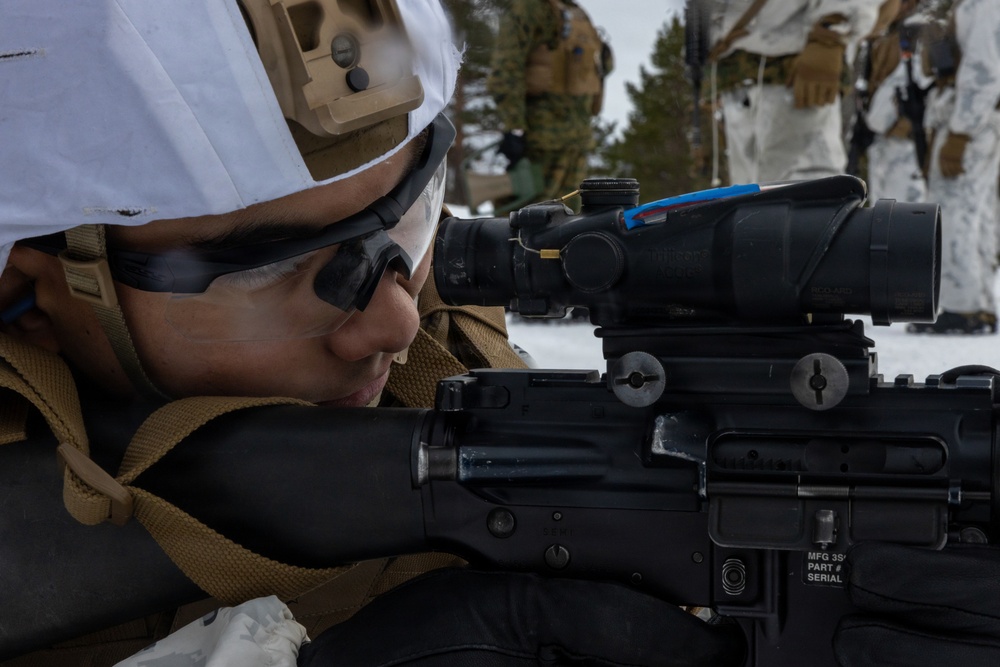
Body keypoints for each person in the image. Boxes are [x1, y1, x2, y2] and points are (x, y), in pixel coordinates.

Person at [0, 1, 743, 665]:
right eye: (269, 271)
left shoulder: (443, 346)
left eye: (415, 214)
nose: (397, 319)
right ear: (30, 289)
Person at [704, 0, 879, 185]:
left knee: (806, 189)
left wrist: (832, 32)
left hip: (795, 73)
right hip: (737, 83)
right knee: (750, 200)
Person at [907, 0, 1000, 335]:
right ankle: (978, 304)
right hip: (977, 121)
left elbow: (983, 73)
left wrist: (961, 131)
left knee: (955, 209)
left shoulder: (982, 5)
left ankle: (964, 307)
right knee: (977, 213)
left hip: (969, 123)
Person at [487, 0, 611, 208]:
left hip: (552, 142)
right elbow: (506, 72)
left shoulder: (542, 9)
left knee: (532, 221)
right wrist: (514, 127)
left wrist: (513, 127)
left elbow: (505, 71)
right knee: (552, 219)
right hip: (557, 143)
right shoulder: (570, 12)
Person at [862, 0, 933, 204]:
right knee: (883, 215)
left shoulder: (916, 33)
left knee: (903, 217)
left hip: (904, 141)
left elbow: (902, 85)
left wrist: (873, 122)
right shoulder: (888, 33)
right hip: (886, 141)